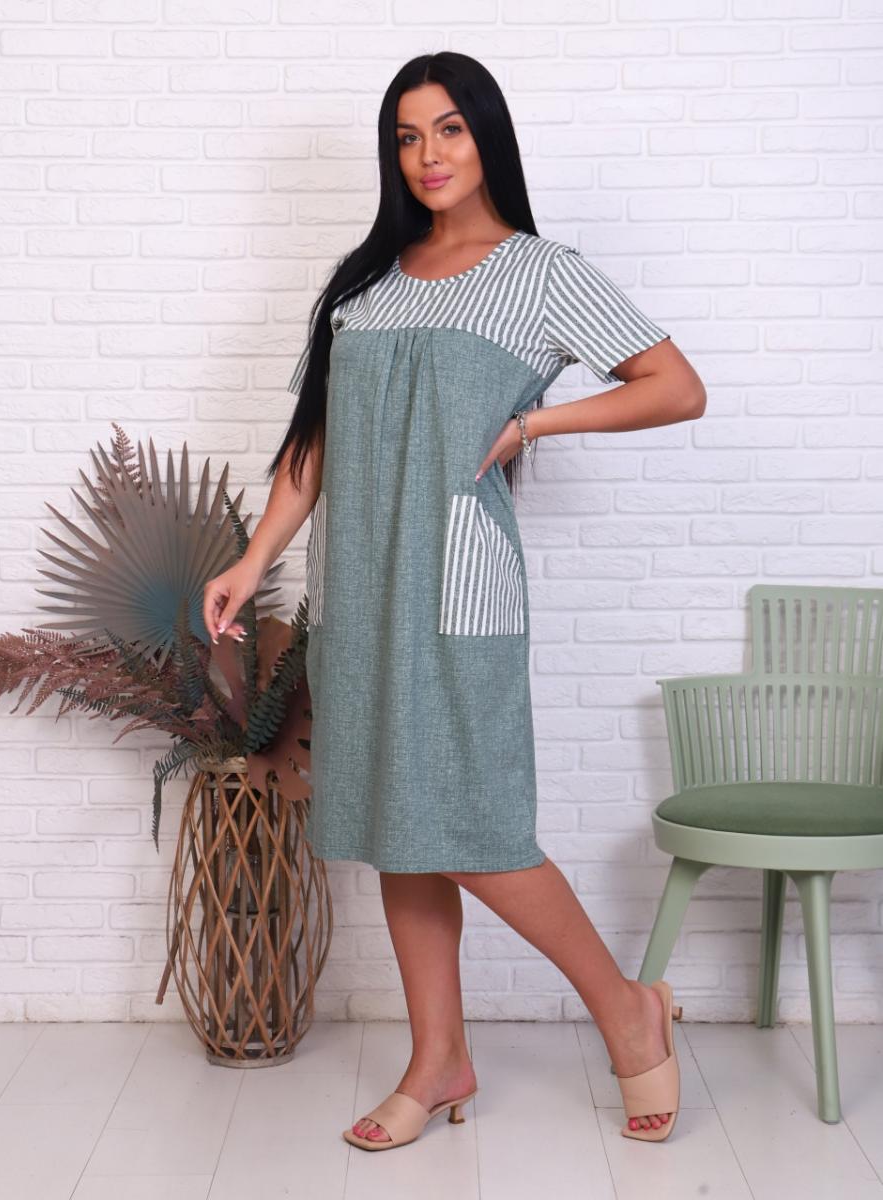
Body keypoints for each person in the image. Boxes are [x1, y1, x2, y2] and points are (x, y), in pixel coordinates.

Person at [203, 51, 706, 1149]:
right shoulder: (364, 283)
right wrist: (254, 558)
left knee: (475, 827)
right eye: (406, 137)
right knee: (402, 826)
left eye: (449, 130)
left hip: (460, 589)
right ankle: (438, 1059)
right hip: (358, 590)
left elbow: (676, 387)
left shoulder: (541, 273)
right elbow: (314, 446)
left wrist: (536, 423)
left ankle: (626, 1008)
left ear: (486, 137)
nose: (427, 155)